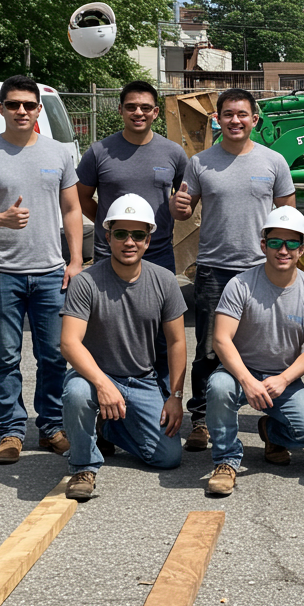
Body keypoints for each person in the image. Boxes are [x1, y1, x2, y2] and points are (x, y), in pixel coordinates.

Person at [0, 75, 83, 465]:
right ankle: (11, 432)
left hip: (49, 272)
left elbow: (72, 209)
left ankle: (51, 427)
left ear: (38, 109)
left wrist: (76, 260)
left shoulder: (59, 153)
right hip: (0, 274)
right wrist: (0, 220)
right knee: (5, 357)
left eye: (29, 105)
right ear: (1, 109)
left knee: (52, 356)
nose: (22, 111)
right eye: (13, 105)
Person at [171, 89, 295, 452]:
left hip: (264, 271)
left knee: (268, 350)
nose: (235, 120)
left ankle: (274, 425)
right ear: (218, 120)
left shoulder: (274, 163)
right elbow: (182, 211)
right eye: (227, 114)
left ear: (255, 119)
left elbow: (288, 218)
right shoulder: (200, 163)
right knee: (208, 350)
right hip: (214, 271)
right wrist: (176, 205)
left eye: (242, 114)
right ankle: (201, 419)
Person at [59, 195, 187, 501]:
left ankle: (109, 428)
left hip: (141, 380)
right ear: (108, 236)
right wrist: (102, 384)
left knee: (169, 458)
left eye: (138, 235)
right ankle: (83, 466)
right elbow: (69, 342)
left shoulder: (165, 281)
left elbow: (177, 342)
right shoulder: (86, 282)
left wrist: (175, 397)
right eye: (121, 234)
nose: (129, 242)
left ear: (148, 240)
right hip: (94, 378)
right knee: (76, 392)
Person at [204, 206, 304, 496]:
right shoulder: (240, 285)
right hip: (239, 372)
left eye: (291, 243)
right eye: (275, 242)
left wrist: (283, 379)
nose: (282, 250)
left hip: (281, 377)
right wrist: (247, 381)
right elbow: (221, 339)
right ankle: (226, 461)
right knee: (219, 387)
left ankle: (272, 433)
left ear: (302, 248)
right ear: (263, 245)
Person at [76, 80, 188, 273]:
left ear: (156, 112)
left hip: (158, 252)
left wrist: (180, 207)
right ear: (120, 110)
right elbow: (80, 197)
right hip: (110, 251)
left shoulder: (174, 153)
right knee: (108, 304)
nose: (138, 112)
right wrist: (111, 221)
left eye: (145, 107)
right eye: (131, 107)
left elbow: (186, 202)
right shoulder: (98, 152)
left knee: (156, 304)